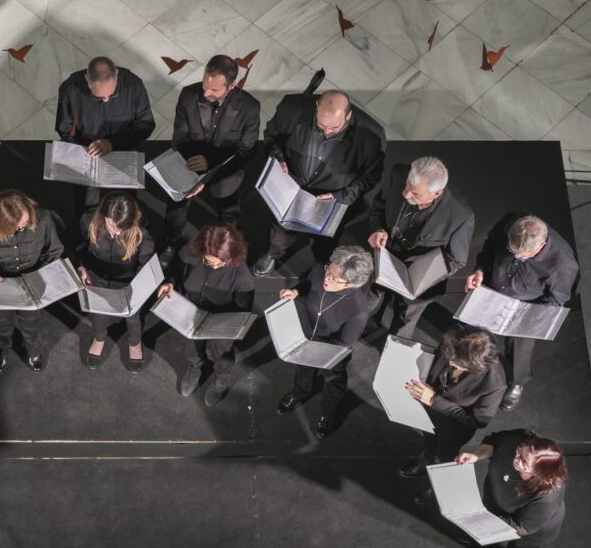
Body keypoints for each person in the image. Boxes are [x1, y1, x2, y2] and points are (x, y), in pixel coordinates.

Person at [253, 90, 385, 276]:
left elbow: (371, 177)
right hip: (292, 187)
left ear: (348, 116)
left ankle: (323, 264)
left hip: (331, 198)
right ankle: (274, 253)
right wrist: (278, 159)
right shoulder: (292, 108)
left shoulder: (372, 136)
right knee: (280, 230)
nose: (326, 131)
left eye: (334, 128)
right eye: (321, 125)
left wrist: (340, 197)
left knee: (326, 242)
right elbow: (271, 137)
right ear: (316, 107)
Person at [465, 214, 578, 411]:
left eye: (523, 255)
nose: (517, 257)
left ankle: (516, 381)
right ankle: (470, 363)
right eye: (512, 250)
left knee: (520, 349)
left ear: (541, 245)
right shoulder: (510, 224)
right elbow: (489, 249)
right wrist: (480, 270)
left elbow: (557, 299)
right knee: (474, 332)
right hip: (495, 288)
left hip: (527, 304)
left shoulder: (563, 263)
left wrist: (527, 315)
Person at [161, 55, 261, 262]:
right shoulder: (189, 95)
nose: (206, 93)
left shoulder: (250, 107)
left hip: (225, 167)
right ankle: (172, 242)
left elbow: (246, 151)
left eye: (214, 90)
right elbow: (180, 139)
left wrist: (209, 169)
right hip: (190, 162)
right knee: (176, 204)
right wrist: (195, 175)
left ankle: (224, 248)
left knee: (229, 211)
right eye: (205, 85)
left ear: (232, 85)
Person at [367, 157, 474, 338]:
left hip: (418, 278)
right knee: (371, 299)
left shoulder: (461, 216)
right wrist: (379, 229)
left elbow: (456, 259)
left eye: (416, 194)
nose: (406, 195)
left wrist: (422, 272)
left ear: (437, 194)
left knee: (405, 319)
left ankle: (393, 346)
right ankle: (364, 325)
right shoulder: (398, 173)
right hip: (386, 257)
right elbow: (378, 207)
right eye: (407, 187)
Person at [400, 325, 505, 504]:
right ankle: (426, 458)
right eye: (450, 356)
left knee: (444, 455)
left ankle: (437, 484)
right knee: (429, 441)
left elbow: (476, 421)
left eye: (457, 362)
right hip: (428, 412)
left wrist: (434, 400)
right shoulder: (454, 343)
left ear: (476, 367)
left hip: (454, 429)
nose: (450, 362)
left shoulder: (495, 383)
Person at [274, 246, 372, 437]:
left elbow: (344, 344)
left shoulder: (358, 310)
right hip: (308, 334)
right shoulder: (320, 269)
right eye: (329, 270)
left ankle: (327, 413)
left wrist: (315, 350)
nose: (327, 278)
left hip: (332, 350)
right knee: (303, 368)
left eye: (335, 279)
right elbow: (308, 284)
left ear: (352, 284)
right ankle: (298, 393)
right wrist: (295, 292)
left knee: (333, 380)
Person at [157, 223, 254, 406]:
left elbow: (241, 314)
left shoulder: (242, 277)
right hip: (192, 310)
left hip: (221, 320)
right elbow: (176, 269)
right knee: (192, 346)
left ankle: (221, 378)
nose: (215, 266)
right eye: (209, 261)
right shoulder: (191, 252)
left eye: (221, 263)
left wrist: (223, 328)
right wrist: (169, 282)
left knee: (221, 353)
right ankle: (195, 368)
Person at [456, 430, 567, 548]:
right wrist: (477, 455)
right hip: (497, 502)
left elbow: (520, 527)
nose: (516, 460)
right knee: (485, 530)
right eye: (519, 452)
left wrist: (478, 516)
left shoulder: (548, 496)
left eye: (524, 462)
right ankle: (483, 539)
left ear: (539, 473)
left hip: (529, 529)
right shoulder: (518, 439)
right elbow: (494, 441)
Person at [0, 190, 64, 374]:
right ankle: (1, 351)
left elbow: (54, 250)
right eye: (17, 227)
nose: (24, 228)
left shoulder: (43, 219)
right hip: (1, 280)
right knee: (0, 323)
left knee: (31, 321)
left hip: (32, 278)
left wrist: (42, 274)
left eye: (26, 223)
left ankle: (33, 352)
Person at [55, 56, 155, 213]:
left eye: (111, 94)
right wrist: (82, 153)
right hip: (87, 154)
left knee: (124, 205)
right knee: (87, 208)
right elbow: (64, 130)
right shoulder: (69, 89)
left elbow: (145, 125)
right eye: (99, 97)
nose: (106, 100)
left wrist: (112, 143)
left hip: (123, 151)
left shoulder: (134, 85)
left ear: (117, 72)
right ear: (87, 79)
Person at [76, 192, 155, 373]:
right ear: (104, 215)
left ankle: (135, 343)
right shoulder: (88, 221)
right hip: (97, 277)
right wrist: (81, 267)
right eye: (112, 224)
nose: (116, 231)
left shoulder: (142, 233)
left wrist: (137, 290)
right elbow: (79, 246)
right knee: (99, 312)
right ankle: (99, 338)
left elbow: (146, 264)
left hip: (127, 283)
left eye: (122, 228)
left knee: (132, 316)